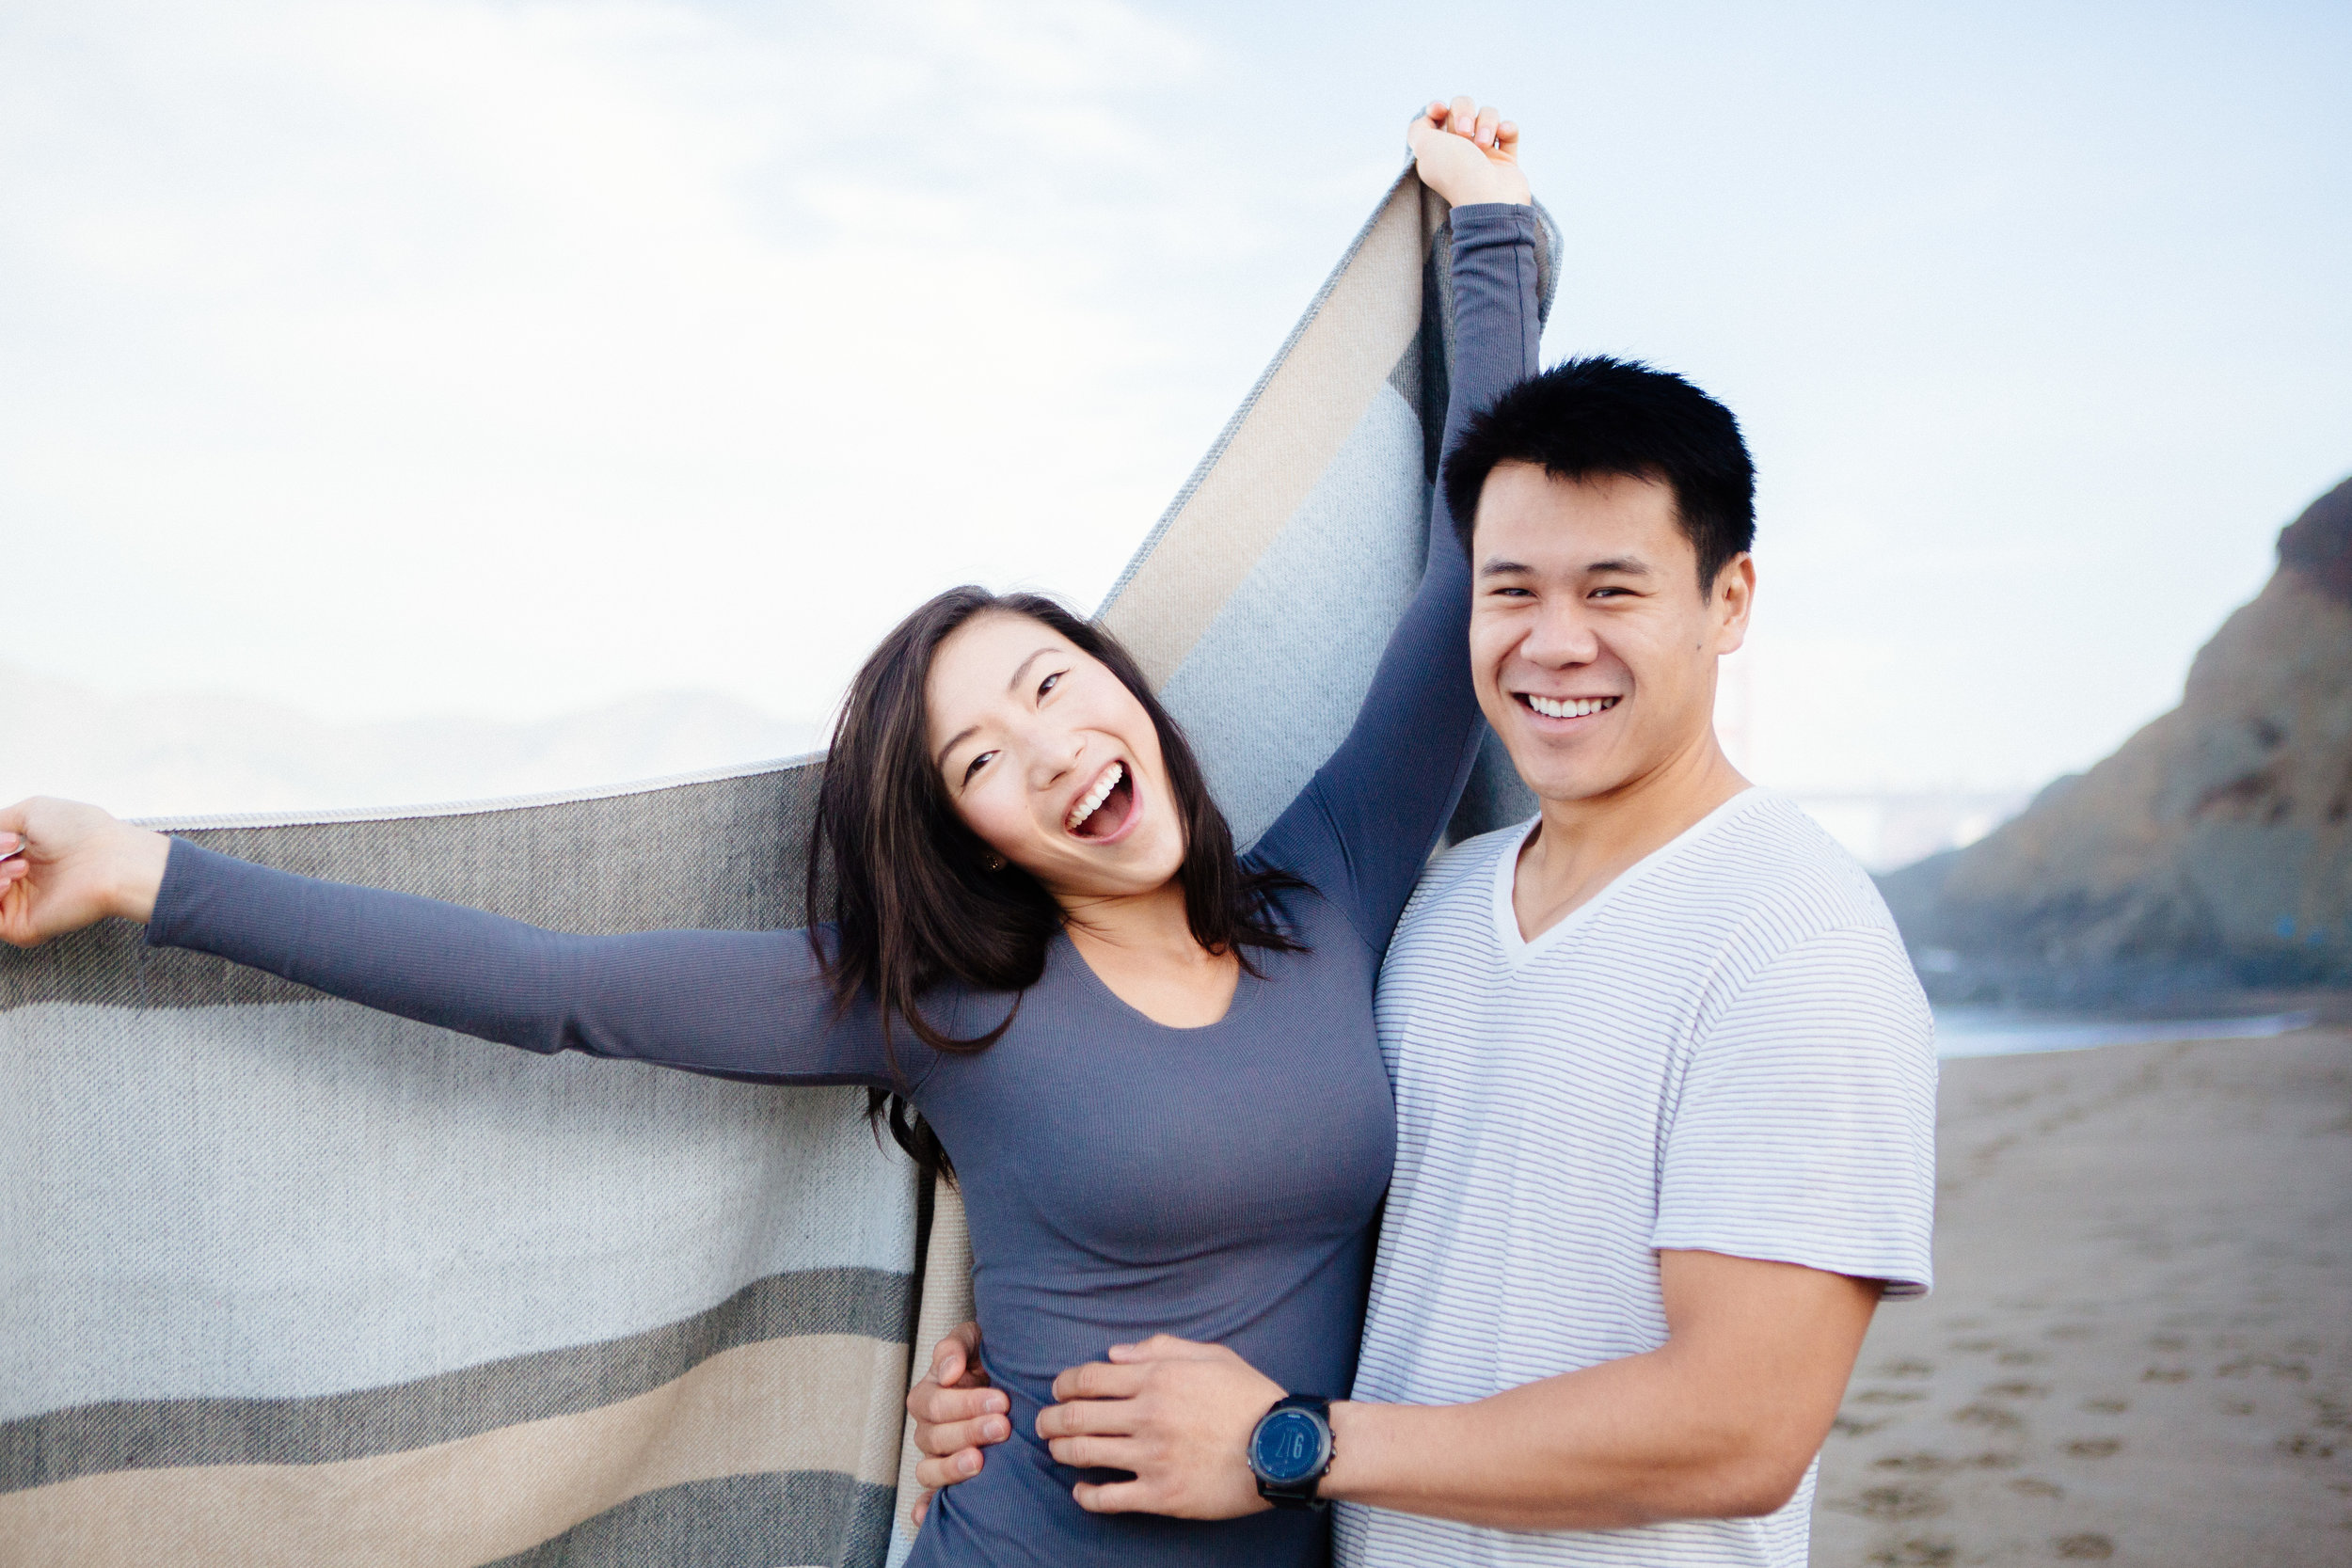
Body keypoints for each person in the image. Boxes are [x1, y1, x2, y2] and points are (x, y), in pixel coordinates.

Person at [0, 98, 1543, 1568]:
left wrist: (1491, 237)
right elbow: (556, 988)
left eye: (1051, 685)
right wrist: (144, 874)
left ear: (1126, 688)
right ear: (980, 840)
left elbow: (1472, 569)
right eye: (985, 761)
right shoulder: (956, 1003)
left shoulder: (1327, 883)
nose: (1054, 751)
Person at [906, 357, 1938, 1566]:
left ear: (1728, 601)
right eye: (1511, 591)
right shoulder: (1436, 911)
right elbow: (1297, 1215)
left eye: (1612, 591)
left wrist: (1289, 1445)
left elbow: (1739, 1428)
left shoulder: (1795, 940)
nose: (1554, 644)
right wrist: (1024, 1379)